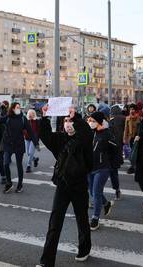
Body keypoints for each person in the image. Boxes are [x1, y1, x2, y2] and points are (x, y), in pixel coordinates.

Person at [36, 106, 93, 267]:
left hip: (80, 185)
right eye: (66, 121)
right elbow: (45, 135)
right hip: (62, 184)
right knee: (55, 222)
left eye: (70, 121)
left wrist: (76, 118)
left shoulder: (84, 139)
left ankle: (84, 248)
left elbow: (87, 134)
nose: (68, 124)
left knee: (82, 218)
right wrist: (45, 116)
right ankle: (46, 261)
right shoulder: (60, 139)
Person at [0, 102, 39, 193]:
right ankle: (9, 183)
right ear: (12, 109)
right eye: (17, 107)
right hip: (8, 144)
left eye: (19, 107)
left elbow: (31, 132)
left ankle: (20, 185)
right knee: (5, 163)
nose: (19, 109)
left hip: (19, 145)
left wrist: (36, 143)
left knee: (19, 165)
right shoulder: (8, 117)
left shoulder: (23, 119)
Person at [87, 111, 117, 230]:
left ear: (99, 122)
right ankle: (106, 204)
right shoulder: (91, 132)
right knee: (93, 192)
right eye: (89, 120)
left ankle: (95, 219)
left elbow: (115, 149)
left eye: (93, 121)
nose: (90, 122)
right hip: (90, 167)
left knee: (96, 192)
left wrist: (108, 161)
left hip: (103, 167)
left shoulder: (107, 134)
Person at [108, 105, 125, 200]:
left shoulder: (111, 122)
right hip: (117, 150)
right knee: (114, 173)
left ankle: (97, 196)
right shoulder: (124, 120)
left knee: (101, 174)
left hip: (109, 151)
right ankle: (117, 190)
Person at [123, 103, 141, 174]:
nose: (131, 111)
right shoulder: (127, 118)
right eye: (130, 109)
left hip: (137, 137)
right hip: (130, 137)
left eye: (133, 109)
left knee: (135, 152)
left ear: (135, 110)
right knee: (131, 152)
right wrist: (125, 138)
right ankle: (133, 166)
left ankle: (135, 166)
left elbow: (140, 128)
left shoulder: (139, 118)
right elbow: (126, 129)